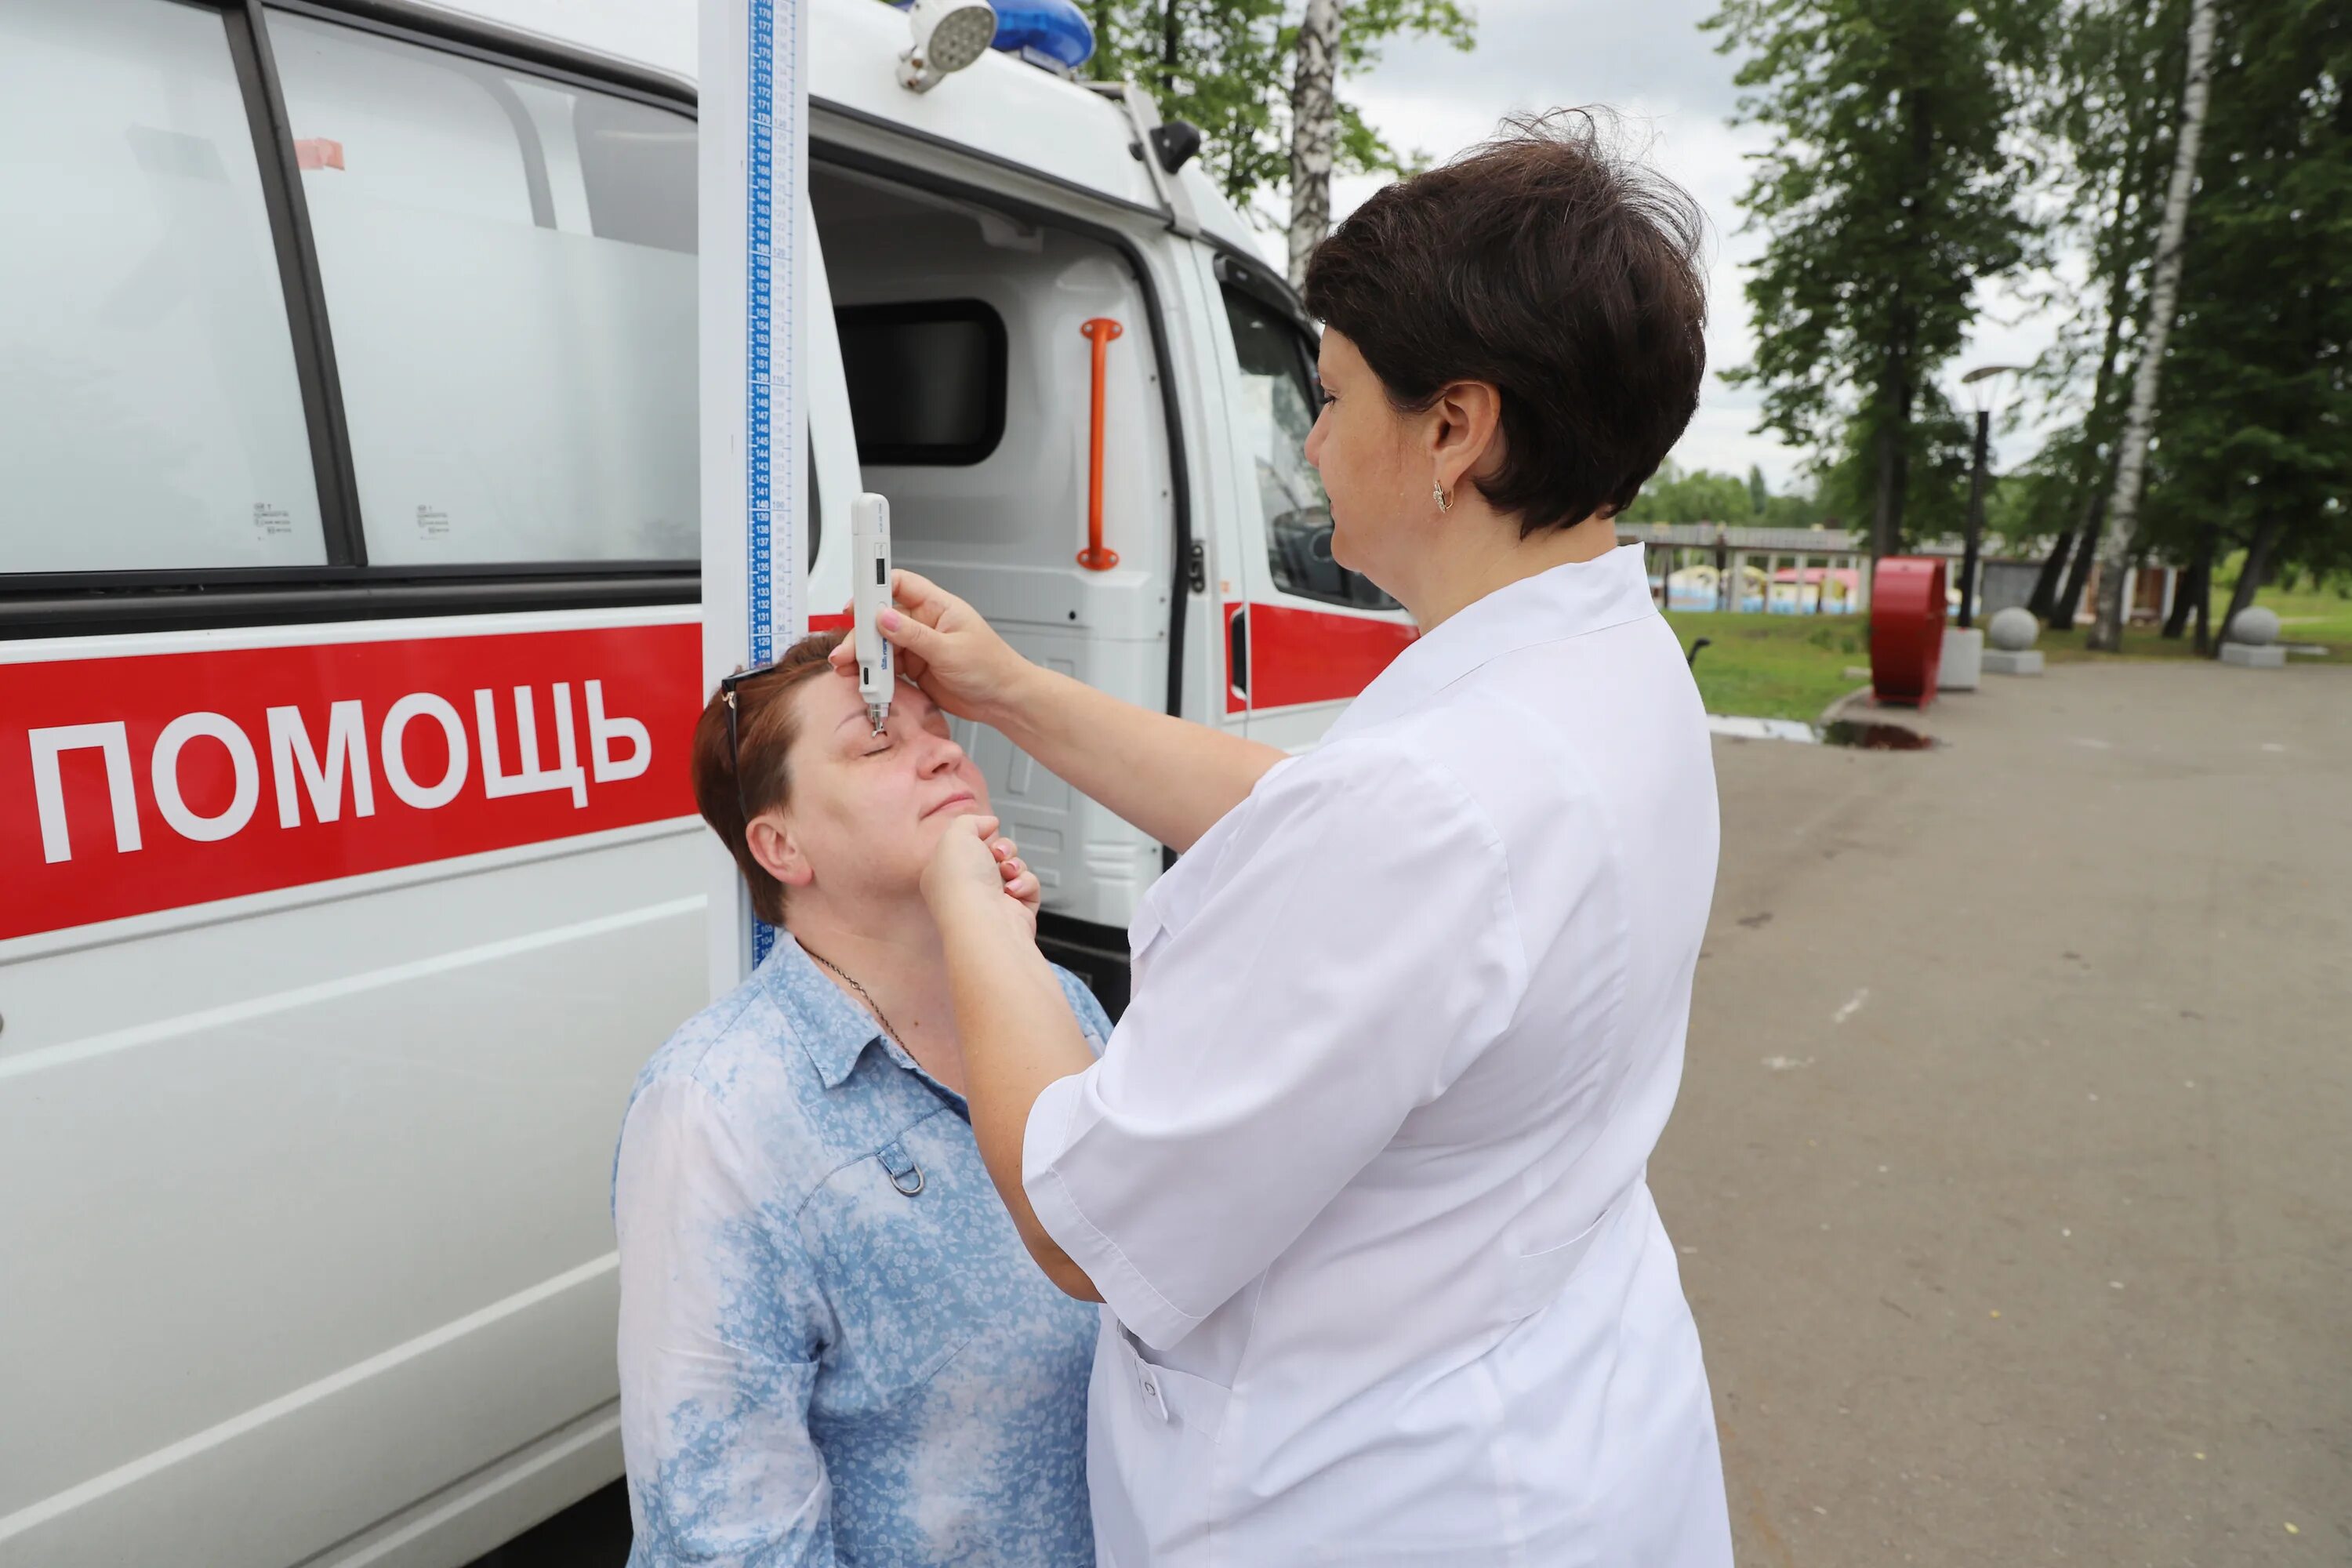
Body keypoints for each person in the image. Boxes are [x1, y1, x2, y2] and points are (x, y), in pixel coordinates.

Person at [839, 114, 1733, 1565]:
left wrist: (954, 863)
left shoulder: (1435, 807)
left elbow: (1083, 1220)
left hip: (1380, 1497)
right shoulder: (1605, 670)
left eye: (1329, 396)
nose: (1311, 443)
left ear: (1455, 426)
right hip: (1561, 1420)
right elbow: (1316, 825)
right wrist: (1014, 695)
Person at [612, 630, 1109, 1568]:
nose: (942, 747)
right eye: (878, 742)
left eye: (938, 724)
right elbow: (727, 1539)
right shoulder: (718, 1108)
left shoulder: (1062, 1003)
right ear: (780, 843)